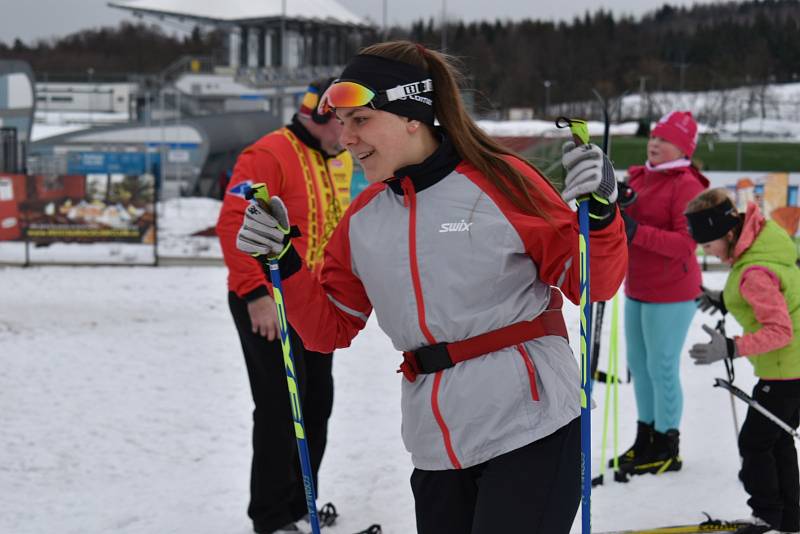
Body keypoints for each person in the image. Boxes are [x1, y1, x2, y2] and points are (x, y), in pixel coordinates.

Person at [235, 41, 627, 534]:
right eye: (342, 122)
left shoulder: (501, 180)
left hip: (531, 423)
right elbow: (326, 330)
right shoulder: (364, 218)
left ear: (410, 116)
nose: (346, 137)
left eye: (360, 120)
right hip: (436, 441)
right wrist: (283, 262)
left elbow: (591, 282)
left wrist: (603, 213)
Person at [216, 78, 353, 534]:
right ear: (320, 119)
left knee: (316, 404)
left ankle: (300, 502)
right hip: (267, 298)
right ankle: (271, 516)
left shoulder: (339, 159)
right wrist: (255, 294)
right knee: (279, 408)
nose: (348, 135)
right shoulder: (268, 154)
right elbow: (234, 221)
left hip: (311, 300)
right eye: (342, 124)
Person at [686, 188, 800, 534]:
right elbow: (775, 294)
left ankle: (767, 513)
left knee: (754, 442)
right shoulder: (762, 248)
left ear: (729, 234)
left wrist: (732, 348)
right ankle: (788, 518)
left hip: (785, 372)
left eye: (708, 246)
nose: (708, 253)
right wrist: (725, 300)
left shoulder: (754, 272)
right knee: (776, 439)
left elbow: (780, 330)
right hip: (791, 370)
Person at [611, 110, 709, 476]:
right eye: (653, 136)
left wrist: (635, 230)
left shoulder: (687, 185)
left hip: (672, 291)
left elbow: (686, 244)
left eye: (665, 139)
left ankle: (668, 444)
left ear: (682, 147)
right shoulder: (641, 176)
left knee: (662, 366)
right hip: (637, 285)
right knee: (640, 366)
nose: (654, 143)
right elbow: (630, 216)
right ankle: (646, 437)